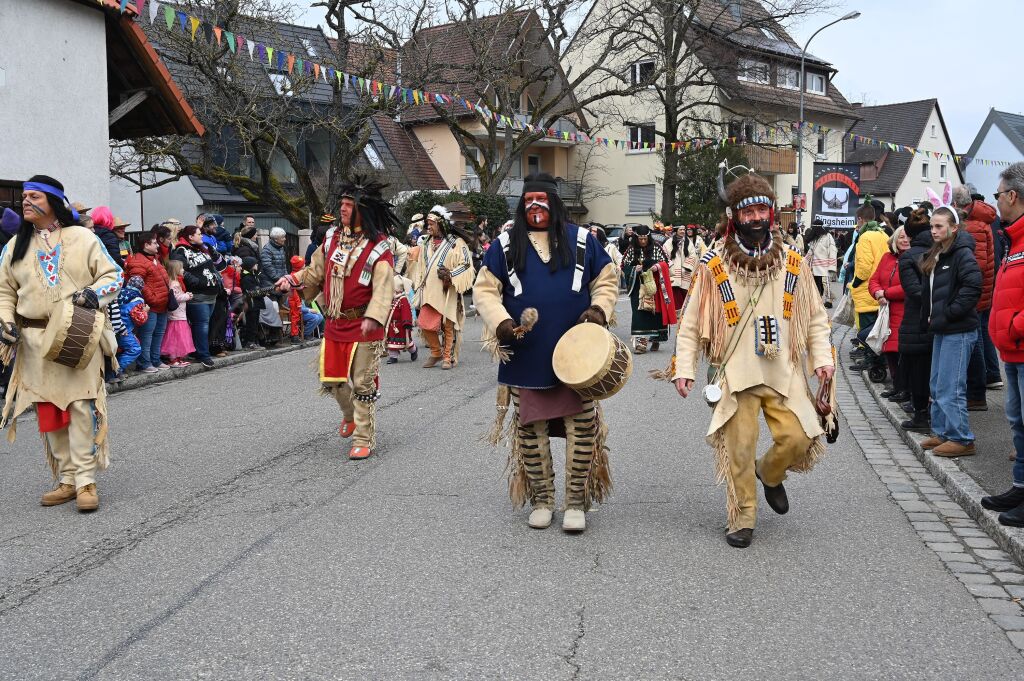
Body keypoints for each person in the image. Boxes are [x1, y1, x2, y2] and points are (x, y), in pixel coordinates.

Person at [673, 168, 835, 548]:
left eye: (763, 210)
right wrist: (684, 367)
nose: (757, 219)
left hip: (783, 370)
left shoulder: (793, 261)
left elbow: (814, 318)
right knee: (739, 449)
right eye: (748, 213)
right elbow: (692, 320)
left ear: (772, 213)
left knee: (799, 436)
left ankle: (771, 473)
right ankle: (742, 516)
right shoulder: (714, 265)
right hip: (735, 373)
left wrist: (822, 358)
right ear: (734, 217)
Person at [473, 172, 617, 532]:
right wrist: (501, 321)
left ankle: (576, 504)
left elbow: (606, 279)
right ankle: (542, 499)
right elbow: (486, 290)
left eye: (542, 200)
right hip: (527, 353)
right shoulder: (505, 245)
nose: (535, 207)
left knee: (582, 429)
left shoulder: (583, 240)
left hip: (578, 355)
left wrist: (599, 310)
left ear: (555, 203)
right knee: (529, 431)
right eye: (528, 201)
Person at [0, 175, 122, 511]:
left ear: (54, 202)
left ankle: (86, 482)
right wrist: (6, 321)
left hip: (78, 332)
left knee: (81, 406)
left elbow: (114, 275)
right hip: (33, 339)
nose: (25, 201)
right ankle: (67, 479)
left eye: (34, 196)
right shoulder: (15, 246)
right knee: (49, 409)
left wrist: (92, 294)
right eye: (24, 196)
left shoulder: (82, 238)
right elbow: (4, 292)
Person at [276, 176, 397, 460]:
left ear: (361, 210)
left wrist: (374, 317)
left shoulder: (379, 247)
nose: (342, 209)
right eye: (341, 203)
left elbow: (384, 287)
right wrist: (292, 279)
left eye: (347, 205)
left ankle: (363, 438)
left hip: (365, 325)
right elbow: (314, 272)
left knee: (363, 383)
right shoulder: (331, 240)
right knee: (330, 379)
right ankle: (350, 414)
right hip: (335, 322)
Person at [918, 206, 982, 457]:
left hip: (958, 329)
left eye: (939, 226)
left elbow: (972, 288)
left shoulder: (962, 254)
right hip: (943, 328)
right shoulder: (939, 252)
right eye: (931, 226)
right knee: (937, 384)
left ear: (953, 228)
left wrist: (948, 314)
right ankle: (944, 432)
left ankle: (962, 437)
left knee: (951, 386)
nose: (933, 231)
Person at [983, 162, 1024, 525]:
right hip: (1011, 350)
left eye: (998, 194)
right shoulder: (1014, 239)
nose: (996, 201)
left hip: (1020, 345)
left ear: (1012, 195)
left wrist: (1013, 326)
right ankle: (1021, 485)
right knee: (1018, 422)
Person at [409, 205, 475, 369]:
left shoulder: (456, 243)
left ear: (441, 224)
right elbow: (420, 266)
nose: (428, 227)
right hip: (430, 291)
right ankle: (436, 352)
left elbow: (467, 264)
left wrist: (451, 275)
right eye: (428, 224)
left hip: (448, 291)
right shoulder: (425, 243)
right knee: (424, 323)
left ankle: (448, 357)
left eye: (432, 224)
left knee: (448, 324)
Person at [952, 184, 1000, 408]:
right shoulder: (979, 221)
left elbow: (976, 265)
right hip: (982, 288)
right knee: (979, 336)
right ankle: (979, 387)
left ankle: (977, 393)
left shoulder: (972, 226)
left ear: (955, 204)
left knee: (977, 340)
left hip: (976, 291)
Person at [897, 207, 936, 433]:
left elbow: (913, 291)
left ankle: (921, 415)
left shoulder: (909, 257)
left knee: (918, 370)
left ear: (909, 235)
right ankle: (929, 414)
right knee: (932, 369)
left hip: (916, 321)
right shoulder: (938, 251)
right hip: (940, 320)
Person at [170, 225, 223, 368]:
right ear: (190, 237)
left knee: (204, 325)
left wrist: (212, 251)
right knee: (202, 326)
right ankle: (204, 355)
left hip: (211, 294)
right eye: (199, 234)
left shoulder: (202, 248)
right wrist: (194, 280)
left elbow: (219, 265)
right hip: (198, 296)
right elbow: (177, 267)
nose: (201, 237)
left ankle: (198, 351)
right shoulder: (182, 250)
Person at [870, 227, 909, 403]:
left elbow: (909, 287)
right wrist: (878, 292)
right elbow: (874, 279)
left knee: (901, 352)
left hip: (904, 311)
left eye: (908, 237)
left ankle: (904, 388)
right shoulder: (887, 258)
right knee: (890, 351)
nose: (904, 240)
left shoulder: (913, 258)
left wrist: (886, 293)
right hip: (887, 311)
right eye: (901, 237)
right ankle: (896, 386)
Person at [849, 205, 889, 375]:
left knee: (866, 330)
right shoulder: (883, 234)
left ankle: (871, 361)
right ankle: (877, 360)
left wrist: (855, 283)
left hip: (867, 290)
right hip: (880, 288)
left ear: (860, 219)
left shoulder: (865, 237)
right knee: (877, 329)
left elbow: (864, 267)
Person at [621, 224, 674, 353]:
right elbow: (623, 265)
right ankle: (641, 343)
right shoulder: (631, 249)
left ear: (648, 237)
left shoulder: (657, 247)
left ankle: (656, 339)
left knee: (655, 313)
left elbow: (667, 263)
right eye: (640, 239)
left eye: (645, 239)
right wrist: (634, 269)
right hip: (638, 285)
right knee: (639, 314)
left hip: (654, 284)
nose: (643, 241)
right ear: (636, 238)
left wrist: (658, 267)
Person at [126, 231, 170, 373]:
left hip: (162, 304)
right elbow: (137, 283)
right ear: (146, 245)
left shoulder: (154, 258)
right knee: (147, 335)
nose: (158, 245)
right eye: (155, 242)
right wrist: (153, 298)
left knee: (158, 334)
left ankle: (155, 360)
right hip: (150, 305)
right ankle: (145, 363)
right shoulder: (138, 261)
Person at [162, 260, 194, 367]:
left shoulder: (174, 282)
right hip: (177, 314)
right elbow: (176, 297)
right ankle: (173, 359)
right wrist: (187, 296)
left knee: (178, 337)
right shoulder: (174, 283)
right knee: (176, 337)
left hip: (179, 313)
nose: (183, 270)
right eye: (181, 268)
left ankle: (177, 358)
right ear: (175, 270)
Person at [664, 225, 702, 313]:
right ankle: (676, 312)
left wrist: (686, 267)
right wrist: (671, 266)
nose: (683, 231)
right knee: (675, 292)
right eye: (681, 229)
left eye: (684, 229)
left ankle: (686, 311)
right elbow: (664, 255)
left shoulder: (688, 242)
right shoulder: (668, 242)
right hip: (673, 271)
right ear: (676, 230)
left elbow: (692, 255)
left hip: (685, 271)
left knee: (685, 291)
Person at [115, 275, 147, 374]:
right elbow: (140, 319)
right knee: (135, 348)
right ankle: (117, 369)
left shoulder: (120, 293)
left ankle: (118, 369)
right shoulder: (136, 299)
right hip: (124, 330)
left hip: (114, 327)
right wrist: (145, 311)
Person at [803, 218, 837, 306]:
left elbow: (832, 250)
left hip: (825, 264)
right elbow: (810, 251)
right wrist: (803, 261)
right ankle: (817, 299)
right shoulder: (814, 239)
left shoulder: (828, 236)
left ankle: (829, 300)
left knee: (825, 282)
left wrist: (832, 265)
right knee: (816, 282)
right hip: (815, 265)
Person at [386, 275, 418, 364]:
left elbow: (406, 312)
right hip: (392, 325)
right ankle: (393, 357)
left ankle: (413, 350)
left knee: (406, 342)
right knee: (391, 342)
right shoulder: (392, 299)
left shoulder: (403, 299)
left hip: (401, 325)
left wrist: (407, 322)